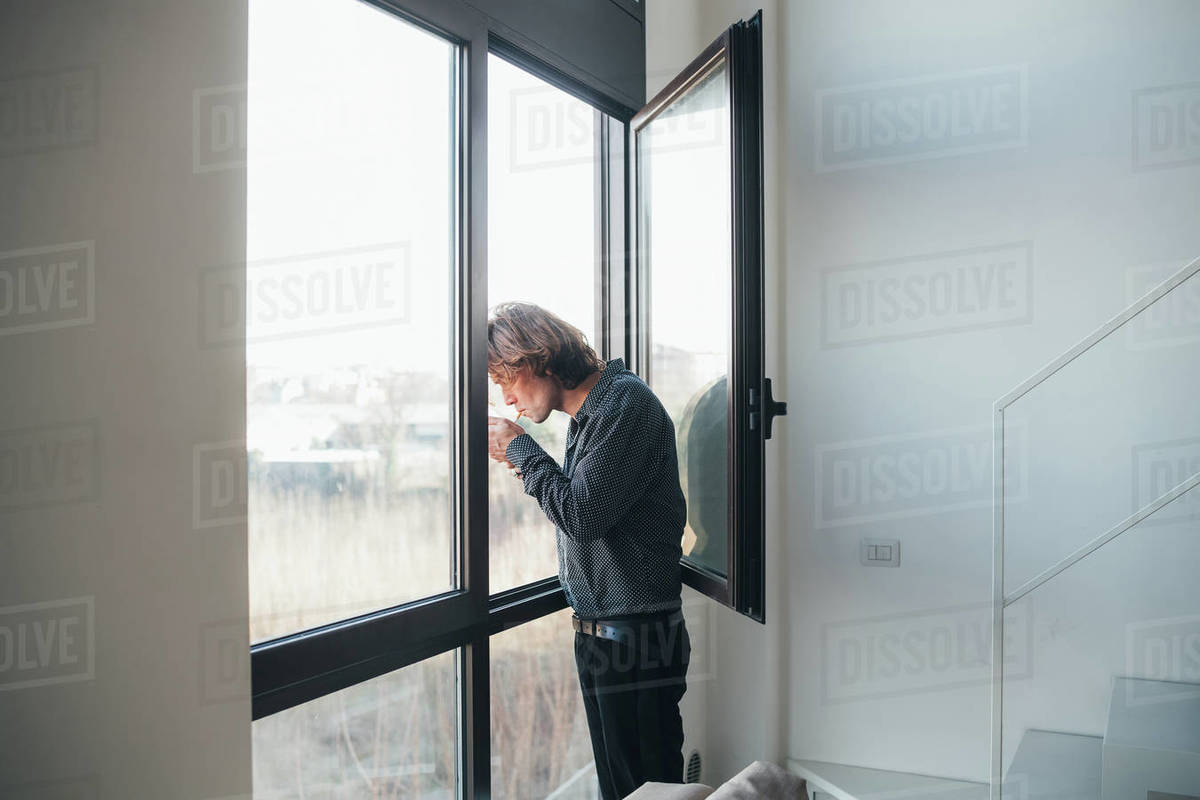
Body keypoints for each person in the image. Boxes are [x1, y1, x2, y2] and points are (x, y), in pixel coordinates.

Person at [485, 301, 691, 800]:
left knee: (645, 792)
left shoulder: (624, 406)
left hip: (635, 640)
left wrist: (521, 450)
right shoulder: (594, 416)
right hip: (612, 637)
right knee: (625, 790)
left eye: (506, 379)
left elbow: (581, 516)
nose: (507, 398)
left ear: (538, 359)